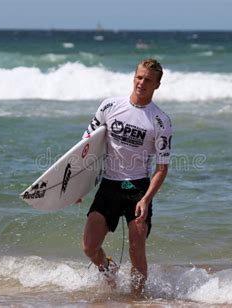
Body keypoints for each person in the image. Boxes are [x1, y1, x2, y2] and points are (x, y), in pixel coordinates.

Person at [81, 59, 172, 296]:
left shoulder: (160, 121)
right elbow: (86, 146)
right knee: (89, 247)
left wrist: (146, 199)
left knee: (136, 248)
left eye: (148, 80)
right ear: (134, 77)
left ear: (157, 85)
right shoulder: (110, 106)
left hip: (138, 189)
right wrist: (77, 187)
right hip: (108, 185)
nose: (142, 83)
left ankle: (136, 298)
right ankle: (107, 268)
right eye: (139, 77)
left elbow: (162, 169)